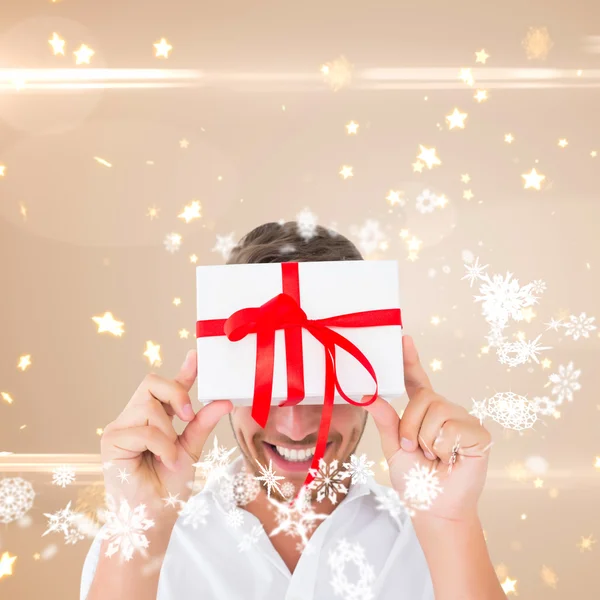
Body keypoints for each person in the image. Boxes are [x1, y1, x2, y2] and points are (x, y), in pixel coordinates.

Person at [81, 221, 506, 600]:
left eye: (326, 387)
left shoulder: (433, 539)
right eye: (265, 386)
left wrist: (449, 523)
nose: (296, 426)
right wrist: (143, 525)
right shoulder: (137, 539)